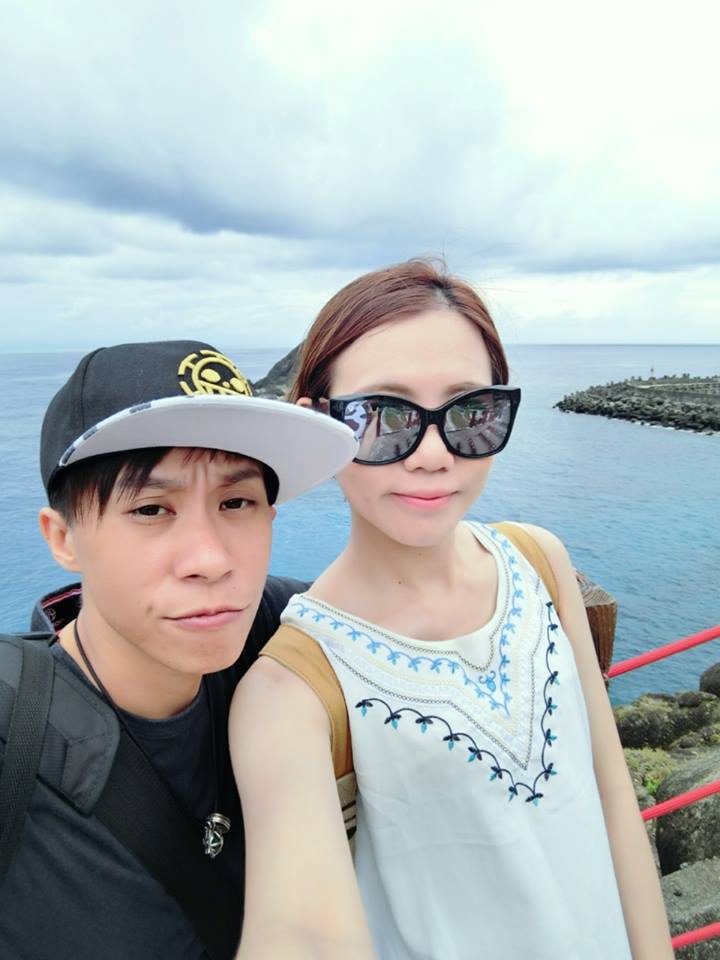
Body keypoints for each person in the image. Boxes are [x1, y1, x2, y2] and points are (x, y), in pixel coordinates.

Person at [229, 261, 674, 960]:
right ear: (319, 426)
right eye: (384, 416)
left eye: (470, 413)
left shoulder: (539, 560)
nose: (434, 455)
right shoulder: (292, 688)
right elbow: (300, 932)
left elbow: (612, 792)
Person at [0, 339, 356, 960]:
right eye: (150, 509)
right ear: (63, 539)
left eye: (236, 502)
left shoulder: (280, 624)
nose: (211, 560)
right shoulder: (17, 735)